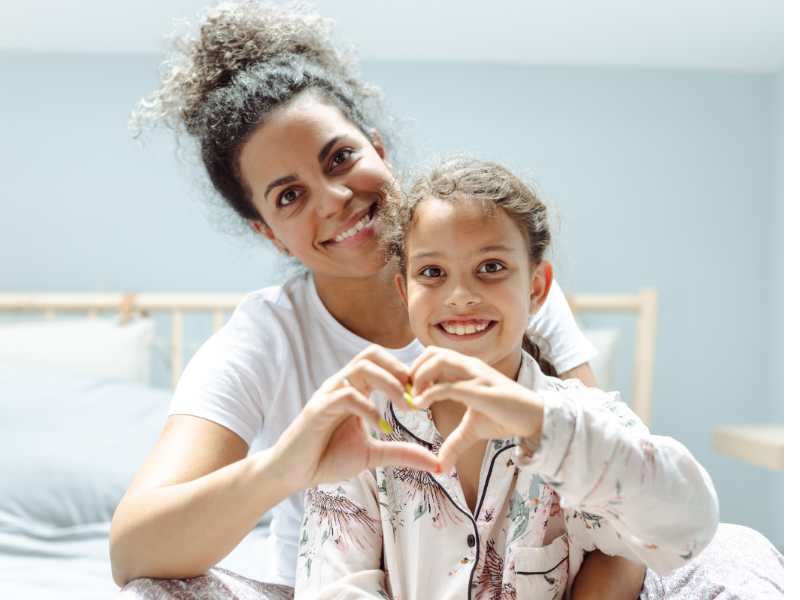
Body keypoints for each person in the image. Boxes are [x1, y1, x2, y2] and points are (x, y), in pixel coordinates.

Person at [113, 3, 784, 599]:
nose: (335, 199)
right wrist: (287, 466)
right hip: (337, 580)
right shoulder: (278, 348)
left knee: (737, 547)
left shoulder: (513, 314)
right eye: (289, 195)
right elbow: (136, 549)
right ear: (267, 230)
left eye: (340, 158)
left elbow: (620, 510)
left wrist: (537, 423)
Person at [293, 157, 720, 599]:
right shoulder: (365, 429)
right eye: (432, 273)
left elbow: (690, 529)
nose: (460, 297)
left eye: (491, 267)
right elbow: (331, 586)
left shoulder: (586, 420)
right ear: (405, 291)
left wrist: (537, 423)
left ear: (536, 288)